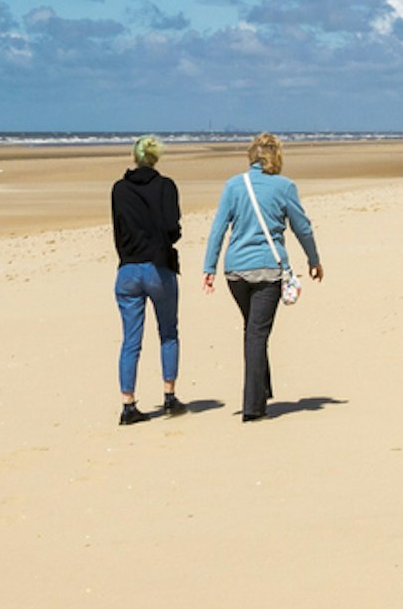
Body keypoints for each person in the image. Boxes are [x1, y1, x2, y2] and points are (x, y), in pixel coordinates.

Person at [195, 132, 322, 421]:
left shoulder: (233, 185)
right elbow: (303, 227)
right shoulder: (285, 186)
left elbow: (218, 228)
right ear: (277, 157)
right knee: (257, 333)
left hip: (235, 271)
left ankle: (261, 390)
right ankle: (253, 407)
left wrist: (209, 268)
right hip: (267, 271)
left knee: (253, 330)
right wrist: (314, 260)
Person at [109, 135, 183, 425]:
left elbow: (118, 228)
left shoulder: (119, 189)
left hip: (127, 268)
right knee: (168, 332)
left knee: (130, 340)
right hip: (157, 266)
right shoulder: (166, 186)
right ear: (156, 157)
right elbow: (172, 227)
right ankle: (169, 396)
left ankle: (128, 404)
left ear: (134, 156)